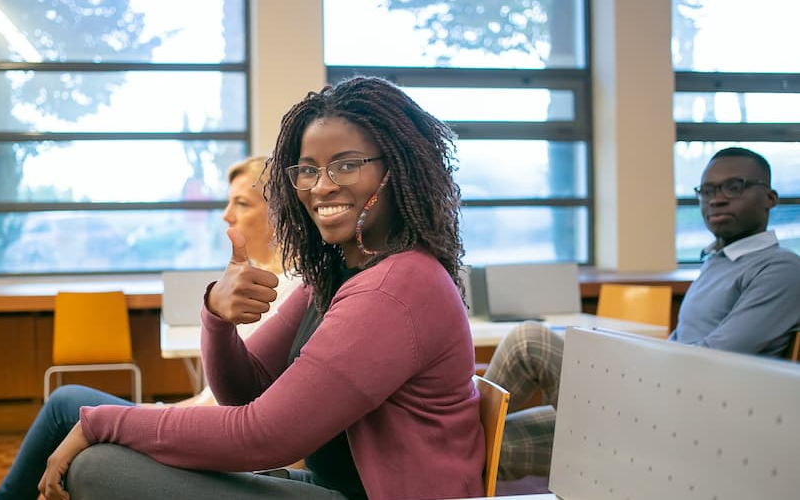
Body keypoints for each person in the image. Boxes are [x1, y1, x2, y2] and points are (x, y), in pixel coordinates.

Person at [37, 76, 482, 500]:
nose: (321, 186)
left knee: (99, 466)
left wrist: (101, 423)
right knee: (109, 460)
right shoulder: (338, 275)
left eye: (347, 165)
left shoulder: (395, 287)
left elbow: (264, 436)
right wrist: (217, 315)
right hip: (334, 487)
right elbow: (244, 391)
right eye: (307, 170)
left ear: (399, 168)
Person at [0, 156, 298, 500]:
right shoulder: (260, 285)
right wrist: (160, 409)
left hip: (218, 436)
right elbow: (216, 398)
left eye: (241, 203)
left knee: (65, 405)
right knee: (69, 408)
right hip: (205, 421)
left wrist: (152, 415)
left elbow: (235, 408)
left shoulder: (287, 293)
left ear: (281, 212)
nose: (226, 215)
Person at [484, 146, 800, 481]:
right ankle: (449, 437)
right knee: (487, 444)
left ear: (770, 197)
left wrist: (628, 370)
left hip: (689, 426)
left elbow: (713, 361)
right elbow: (681, 348)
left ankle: (447, 429)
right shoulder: (717, 262)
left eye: (733, 187)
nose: (716, 199)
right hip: (656, 409)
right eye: (706, 190)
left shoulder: (780, 269)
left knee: (529, 341)